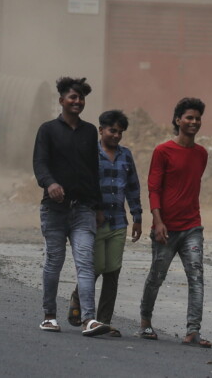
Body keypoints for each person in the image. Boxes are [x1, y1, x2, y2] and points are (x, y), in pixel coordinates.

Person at [32, 77, 110, 337]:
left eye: (81, 98)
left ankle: (89, 319)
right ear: (61, 101)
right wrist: (50, 183)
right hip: (54, 210)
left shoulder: (89, 132)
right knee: (55, 261)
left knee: (85, 262)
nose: (77, 102)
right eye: (73, 97)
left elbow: (93, 171)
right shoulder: (47, 130)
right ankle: (49, 316)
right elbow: (40, 164)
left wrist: (98, 207)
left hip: (83, 209)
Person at [138, 97, 211, 348]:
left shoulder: (202, 154)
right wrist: (158, 221)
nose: (194, 122)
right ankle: (145, 321)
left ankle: (193, 331)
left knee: (196, 276)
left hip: (192, 227)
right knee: (157, 276)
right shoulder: (162, 151)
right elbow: (154, 188)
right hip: (166, 228)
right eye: (189, 117)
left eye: (197, 118)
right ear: (178, 120)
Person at [67, 110, 142, 337]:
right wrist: (95, 208)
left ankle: (104, 321)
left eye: (120, 132)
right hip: (95, 221)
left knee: (113, 272)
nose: (117, 136)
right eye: (112, 130)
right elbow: (85, 184)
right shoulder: (91, 154)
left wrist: (137, 217)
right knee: (96, 267)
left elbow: (132, 187)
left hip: (119, 222)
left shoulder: (126, 155)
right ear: (101, 130)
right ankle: (78, 298)